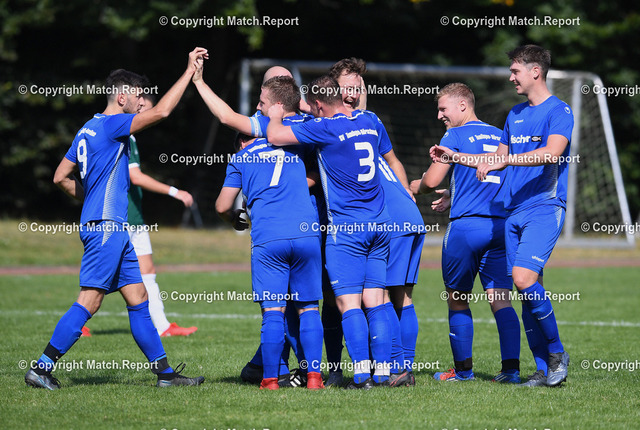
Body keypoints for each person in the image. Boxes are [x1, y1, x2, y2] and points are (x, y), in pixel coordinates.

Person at [25, 48, 208, 390]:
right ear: (122, 97)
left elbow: (60, 176)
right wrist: (188, 72)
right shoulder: (114, 125)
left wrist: (90, 199)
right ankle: (41, 368)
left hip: (111, 227)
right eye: (138, 97)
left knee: (139, 298)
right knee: (90, 300)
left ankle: (166, 375)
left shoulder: (88, 128)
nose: (142, 103)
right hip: (107, 228)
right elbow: (164, 111)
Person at [431, 45, 573, 387]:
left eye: (515, 71)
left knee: (522, 280)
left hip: (544, 206)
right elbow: (494, 162)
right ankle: (542, 370)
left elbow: (552, 153)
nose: (511, 78)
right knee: (527, 293)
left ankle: (557, 353)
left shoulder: (559, 110)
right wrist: (454, 160)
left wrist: (506, 159)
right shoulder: (515, 115)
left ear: (535, 71)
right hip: (511, 214)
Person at [267, 75, 392, 389]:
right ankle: (383, 372)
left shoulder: (324, 128)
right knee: (376, 300)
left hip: (348, 230)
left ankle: (361, 376)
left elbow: (275, 135)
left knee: (348, 304)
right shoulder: (369, 121)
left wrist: (274, 114)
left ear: (319, 104)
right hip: (380, 224)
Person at [213, 76, 325, 391]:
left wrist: (234, 219)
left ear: (242, 141)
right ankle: (314, 378)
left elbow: (222, 205)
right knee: (308, 308)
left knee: (273, 311)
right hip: (306, 235)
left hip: (268, 239)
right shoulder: (293, 144)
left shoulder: (241, 158)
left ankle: (271, 379)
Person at [411, 83, 521, 383]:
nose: (439, 116)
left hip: (467, 227)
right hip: (500, 227)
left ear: (462, 105)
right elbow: (500, 179)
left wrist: (415, 187)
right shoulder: (501, 135)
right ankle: (511, 371)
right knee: (501, 299)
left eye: (443, 109)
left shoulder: (455, 135)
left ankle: (463, 372)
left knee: (457, 299)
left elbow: (432, 180)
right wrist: (454, 193)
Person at [326, 57, 423, 387]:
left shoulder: (337, 124)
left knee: (378, 300)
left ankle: (397, 368)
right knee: (400, 297)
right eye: (347, 89)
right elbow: (393, 161)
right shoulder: (370, 121)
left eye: (357, 88)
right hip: (407, 216)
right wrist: (407, 194)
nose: (353, 95)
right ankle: (402, 368)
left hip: (387, 219)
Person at [127, 94, 198, 337]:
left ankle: (162, 326)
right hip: (118, 218)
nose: (146, 114)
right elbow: (135, 177)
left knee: (147, 270)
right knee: (102, 276)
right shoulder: (122, 136)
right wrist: (174, 191)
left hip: (134, 217)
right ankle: (77, 324)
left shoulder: (131, 137)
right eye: (143, 108)